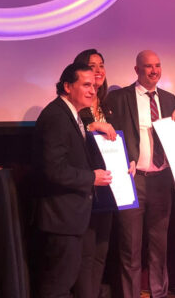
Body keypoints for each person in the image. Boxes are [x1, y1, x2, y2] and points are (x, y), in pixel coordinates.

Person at [105, 50, 175, 298]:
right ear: (137, 70)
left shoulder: (170, 99)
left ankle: (158, 293)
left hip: (161, 179)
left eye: (157, 65)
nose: (154, 71)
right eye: (148, 66)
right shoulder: (119, 98)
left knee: (159, 246)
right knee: (130, 247)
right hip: (133, 180)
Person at [32, 63, 112, 298]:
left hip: (71, 218)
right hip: (60, 219)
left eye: (94, 86)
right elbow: (53, 169)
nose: (92, 91)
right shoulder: (56, 116)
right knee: (57, 286)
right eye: (86, 85)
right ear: (67, 86)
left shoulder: (74, 115)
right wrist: (91, 177)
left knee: (65, 283)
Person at [72, 49, 117, 298]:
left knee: (102, 250)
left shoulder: (108, 105)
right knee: (87, 252)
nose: (98, 70)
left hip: (109, 185)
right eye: (92, 66)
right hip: (87, 186)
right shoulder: (77, 106)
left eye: (101, 65)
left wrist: (129, 160)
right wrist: (93, 125)